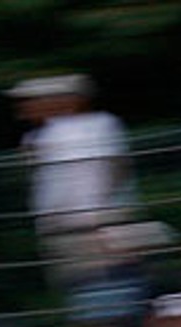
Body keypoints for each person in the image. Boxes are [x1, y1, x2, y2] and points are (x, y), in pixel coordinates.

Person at [8, 73, 137, 287]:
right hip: (62, 230)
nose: (24, 108)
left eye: (30, 100)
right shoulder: (38, 136)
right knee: (81, 289)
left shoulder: (95, 126)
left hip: (93, 228)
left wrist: (100, 221)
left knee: (106, 288)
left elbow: (113, 174)